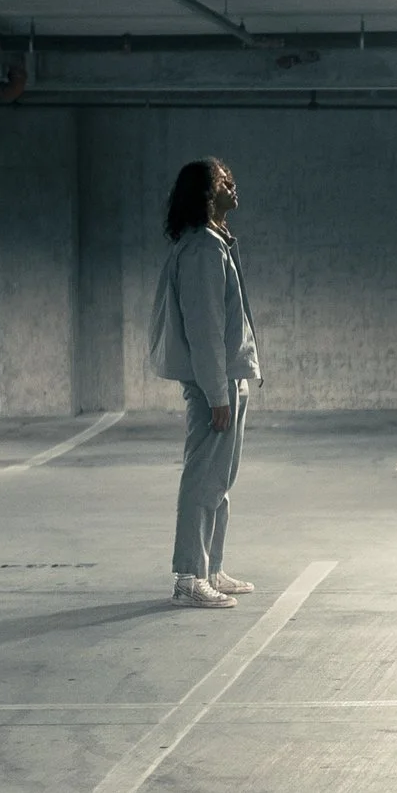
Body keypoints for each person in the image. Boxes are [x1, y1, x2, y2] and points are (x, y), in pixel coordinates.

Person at [149, 158, 261, 608]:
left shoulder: (216, 244)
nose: (232, 184)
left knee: (219, 477)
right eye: (222, 181)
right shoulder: (201, 250)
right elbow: (204, 328)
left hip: (230, 379)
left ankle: (210, 567)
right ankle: (189, 578)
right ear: (204, 193)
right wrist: (218, 393)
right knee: (202, 476)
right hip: (217, 383)